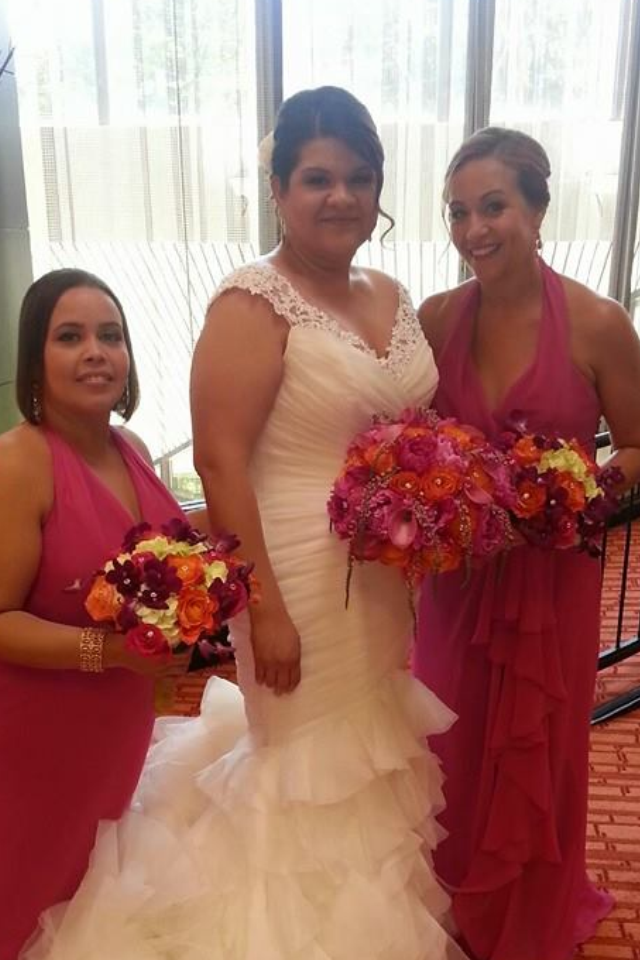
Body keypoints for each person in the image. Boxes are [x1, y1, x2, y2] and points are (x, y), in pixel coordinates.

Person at [21, 87, 468, 960]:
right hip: (291, 569)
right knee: (303, 765)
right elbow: (221, 460)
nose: (340, 196)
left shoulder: (390, 291)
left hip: (377, 570)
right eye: (317, 178)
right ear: (277, 188)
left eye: (359, 178)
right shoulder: (251, 302)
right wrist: (262, 607)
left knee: (366, 749)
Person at [413, 126, 640, 960]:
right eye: (457, 212)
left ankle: (528, 912)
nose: (474, 229)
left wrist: (572, 496)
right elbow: (416, 444)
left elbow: (637, 445)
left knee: (541, 748)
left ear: (538, 210)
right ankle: (451, 899)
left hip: (551, 580)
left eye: (494, 206)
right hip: (461, 578)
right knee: (452, 739)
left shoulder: (599, 323)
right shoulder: (435, 319)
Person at [0, 268, 191, 960]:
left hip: (120, 729)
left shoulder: (132, 451)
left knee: (90, 912)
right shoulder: (18, 463)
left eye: (110, 336)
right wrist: (108, 653)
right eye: (69, 337)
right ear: (35, 358)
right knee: (28, 904)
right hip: (35, 743)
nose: (95, 353)